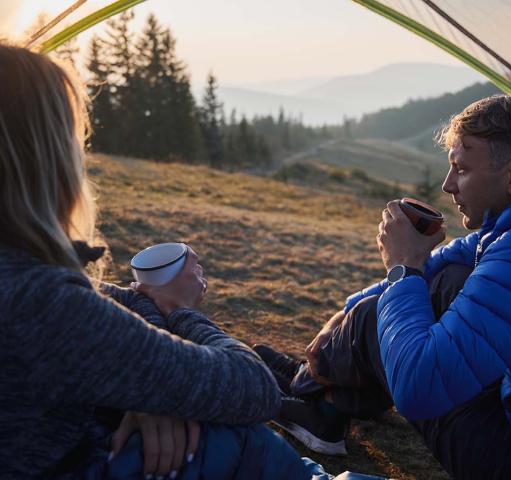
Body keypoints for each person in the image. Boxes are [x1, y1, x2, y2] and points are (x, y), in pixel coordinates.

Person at [0, 43, 368, 480]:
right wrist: (181, 311)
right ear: (45, 161)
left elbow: (111, 303)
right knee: (228, 437)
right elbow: (251, 388)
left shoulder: (23, 277)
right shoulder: (37, 299)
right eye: (75, 143)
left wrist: (149, 386)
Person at [255, 95, 511, 479]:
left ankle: (314, 400)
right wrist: (352, 306)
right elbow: (457, 256)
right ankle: (317, 386)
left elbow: (417, 388)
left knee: (385, 315)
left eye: (461, 169)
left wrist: (402, 268)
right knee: (445, 280)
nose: (448, 184)